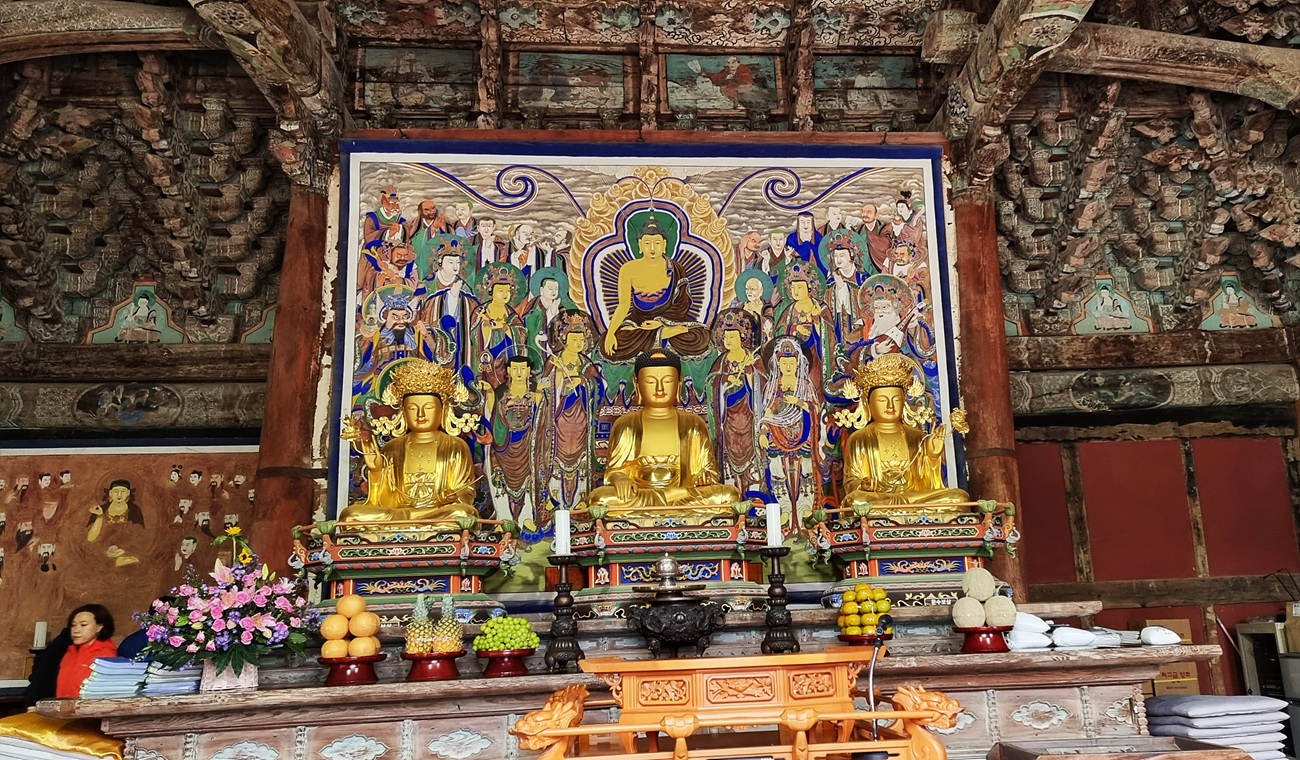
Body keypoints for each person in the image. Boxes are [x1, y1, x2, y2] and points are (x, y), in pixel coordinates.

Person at [56, 605, 116, 698]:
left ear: (99, 627)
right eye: (73, 625)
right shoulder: (70, 652)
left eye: (83, 625)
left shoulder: (105, 656)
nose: (76, 630)